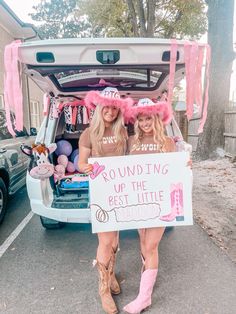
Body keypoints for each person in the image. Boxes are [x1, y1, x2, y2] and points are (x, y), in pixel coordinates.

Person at [78, 87, 133, 314]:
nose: (110, 111)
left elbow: (133, 158)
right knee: (106, 241)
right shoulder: (89, 133)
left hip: (120, 190)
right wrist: (88, 167)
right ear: (99, 108)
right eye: (106, 107)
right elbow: (81, 163)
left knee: (116, 239)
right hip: (101, 191)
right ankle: (104, 289)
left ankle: (110, 276)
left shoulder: (124, 131)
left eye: (114, 107)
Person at [123, 98, 176, 314]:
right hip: (138, 199)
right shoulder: (131, 141)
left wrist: (185, 164)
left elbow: (175, 171)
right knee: (143, 241)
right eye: (141, 119)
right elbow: (123, 168)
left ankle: (144, 298)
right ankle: (147, 275)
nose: (145, 123)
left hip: (160, 200)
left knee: (151, 246)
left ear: (156, 118)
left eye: (149, 118)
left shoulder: (167, 142)